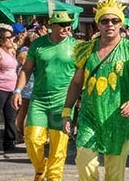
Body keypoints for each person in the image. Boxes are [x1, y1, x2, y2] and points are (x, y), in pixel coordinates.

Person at [62, 0, 129, 181]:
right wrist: (66, 113)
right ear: (98, 24)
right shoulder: (86, 50)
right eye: (104, 21)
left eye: (114, 20)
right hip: (89, 117)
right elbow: (76, 84)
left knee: (114, 175)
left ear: (121, 23)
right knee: (85, 162)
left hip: (119, 118)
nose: (110, 24)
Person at [13, 11, 76, 179]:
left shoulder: (76, 46)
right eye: (62, 24)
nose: (66, 27)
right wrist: (18, 90)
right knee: (32, 139)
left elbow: (82, 74)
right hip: (39, 101)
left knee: (58, 146)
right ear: (52, 26)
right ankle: (41, 168)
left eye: (68, 24)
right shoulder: (38, 45)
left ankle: (54, 177)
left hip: (62, 102)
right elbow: (26, 69)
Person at [0, 30, 19, 156]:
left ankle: (9, 142)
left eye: (12, 37)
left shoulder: (10, 52)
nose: (11, 39)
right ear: (1, 39)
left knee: (10, 117)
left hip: (11, 88)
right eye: (8, 38)